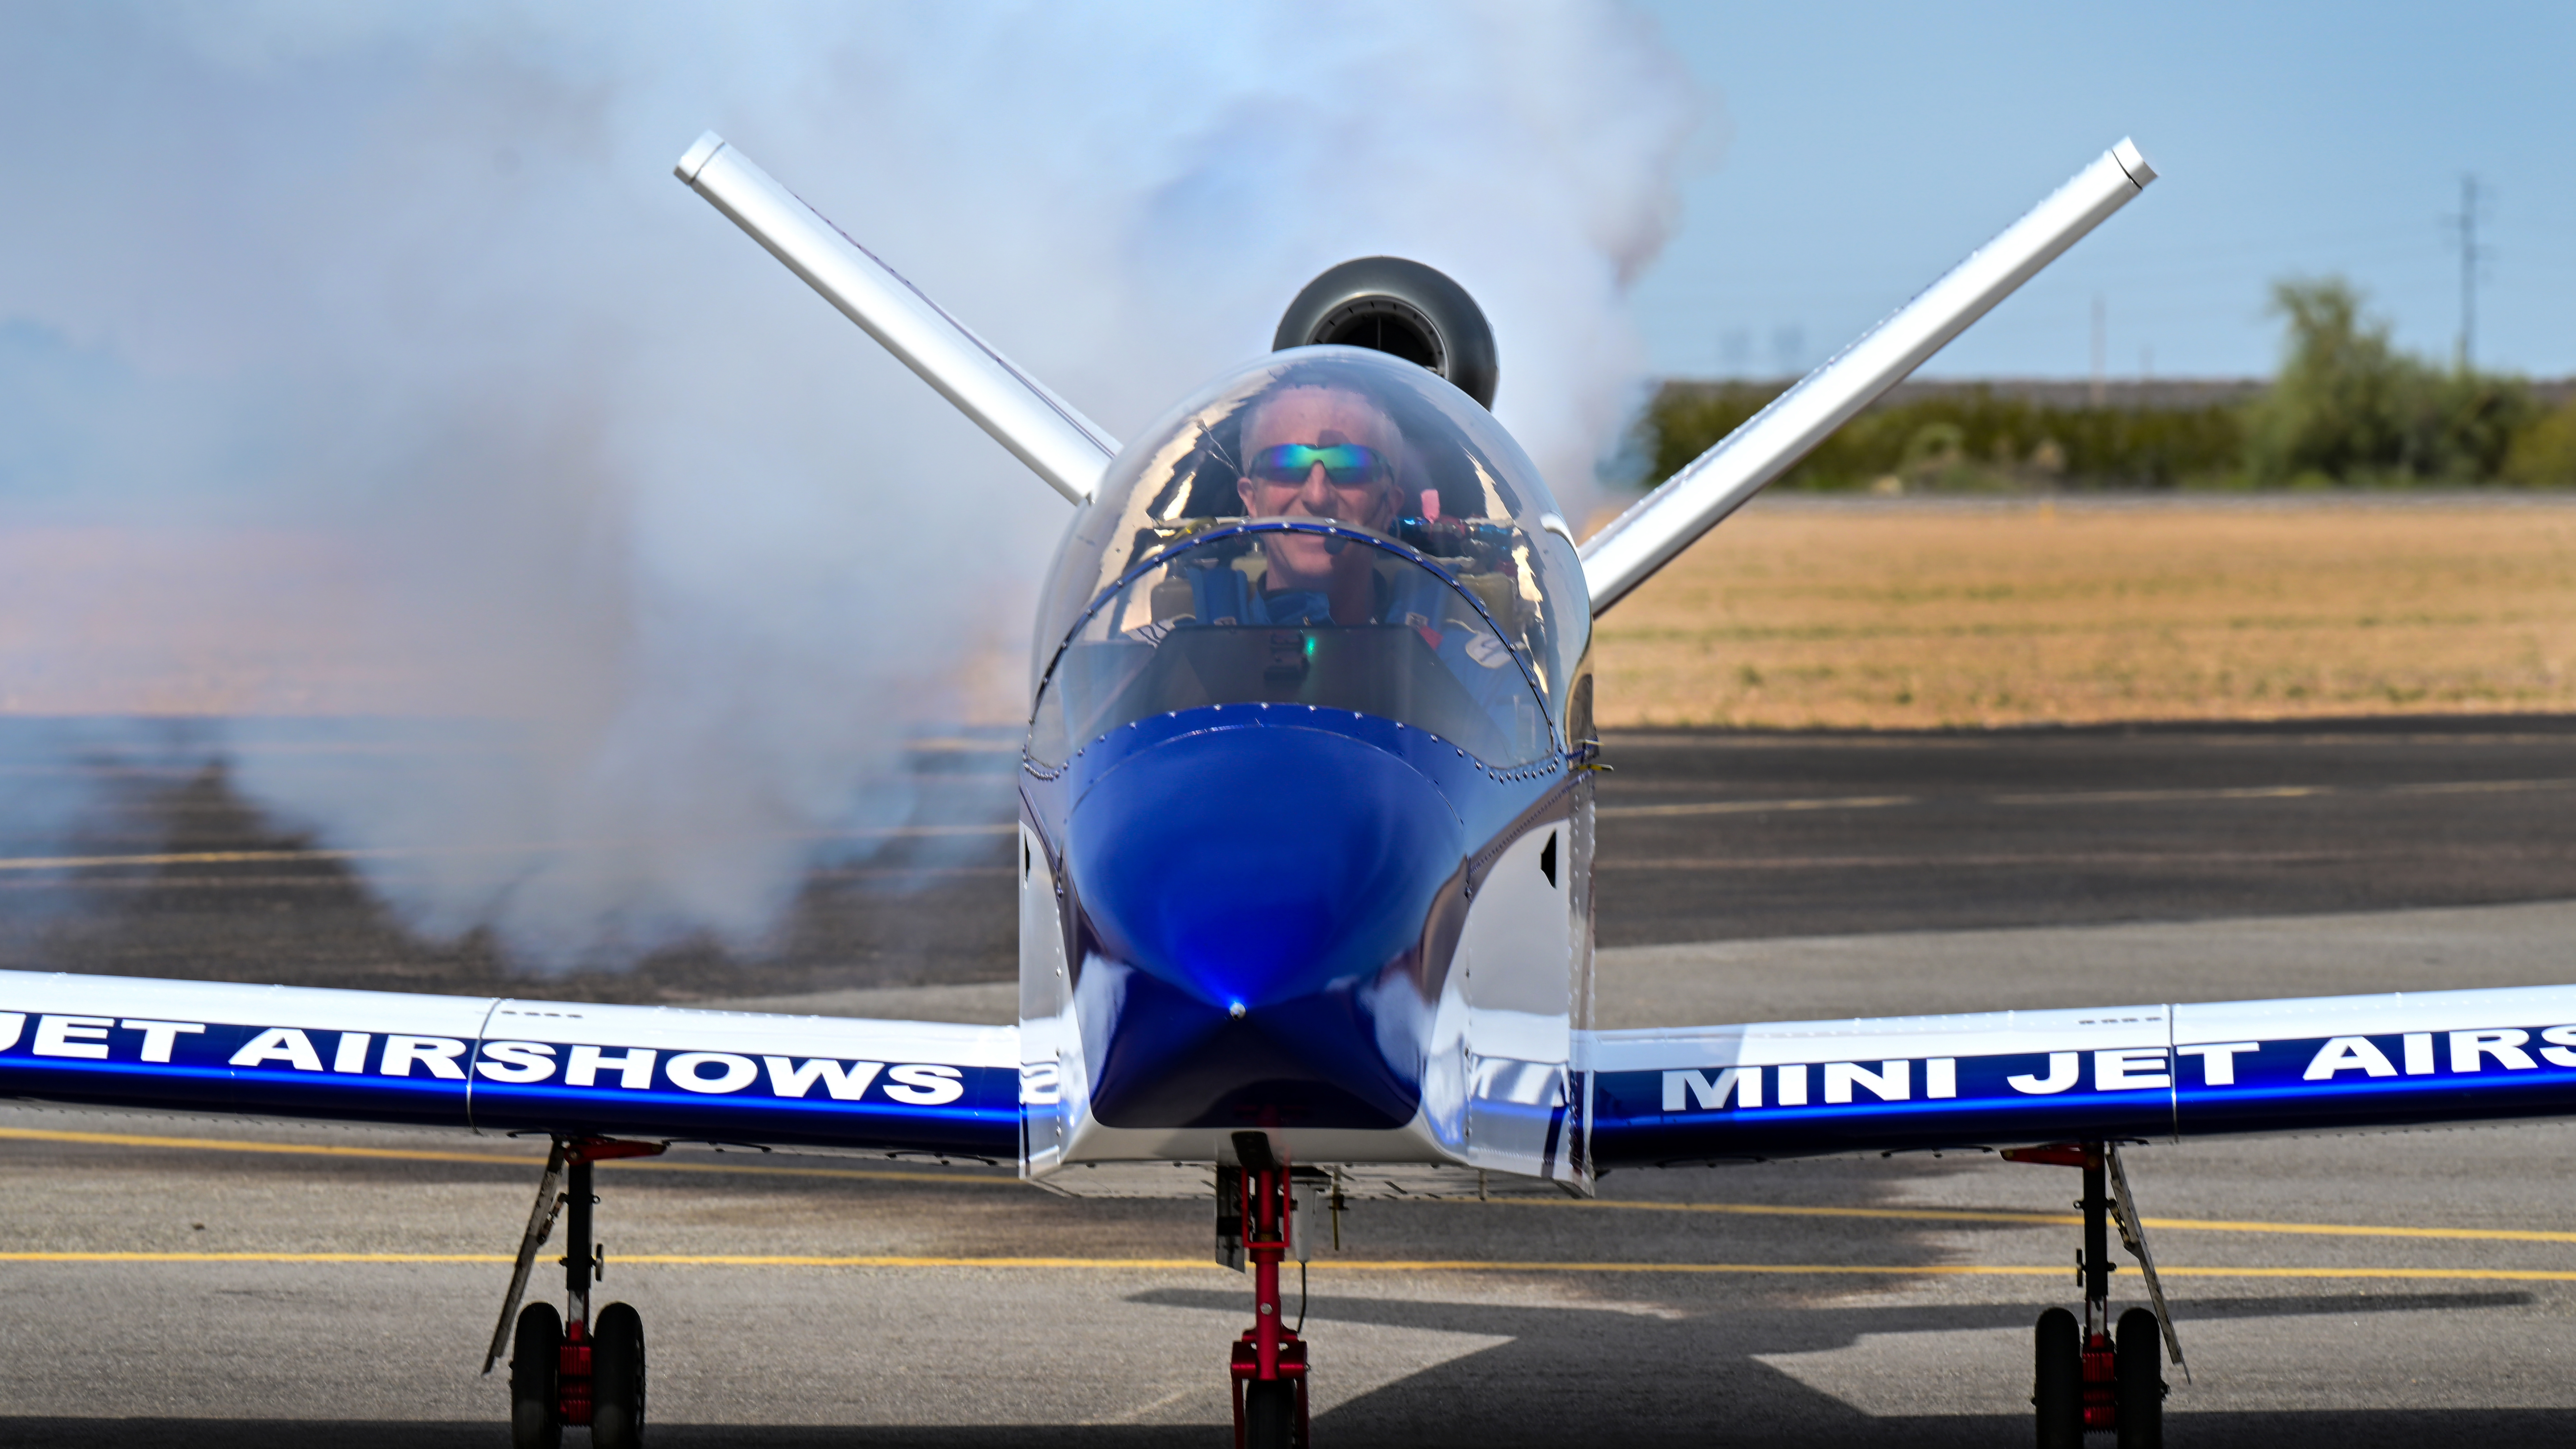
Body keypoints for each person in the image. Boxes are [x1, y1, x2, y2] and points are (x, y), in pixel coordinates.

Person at [1231, 381, 1408, 626]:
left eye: (1349, 466)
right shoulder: (1171, 650)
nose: (1317, 497)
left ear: (1390, 504)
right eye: (1287, 465)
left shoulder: (1452, 661)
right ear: (1251, 499)